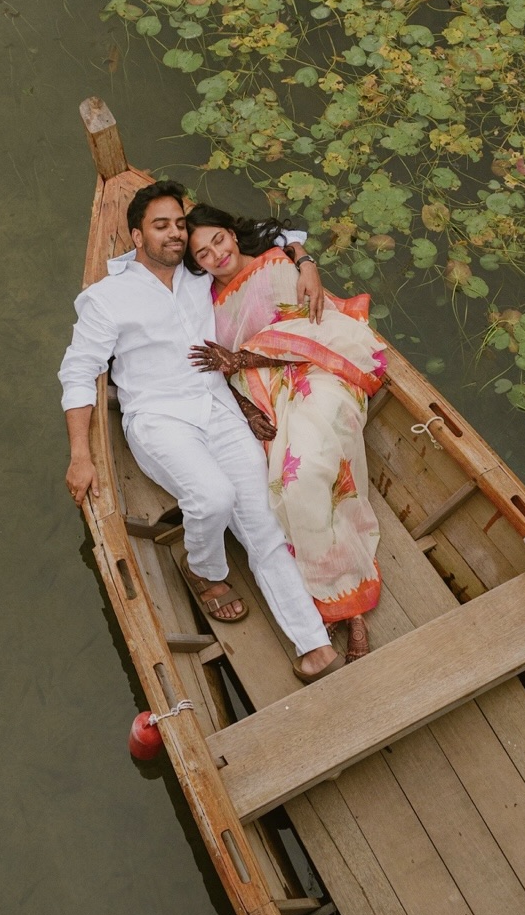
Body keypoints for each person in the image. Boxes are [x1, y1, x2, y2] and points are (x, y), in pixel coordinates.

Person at [59, 180, 345, 682]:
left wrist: (306, 264)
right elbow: (78, 372)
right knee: (212, 497)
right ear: (135, 235)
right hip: (157, 419)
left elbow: (280, 234)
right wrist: (81, 454)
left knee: (262, 523)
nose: (174, 234)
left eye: (179, 224)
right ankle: (205, 570)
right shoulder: (106, 298)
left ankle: (313, 644)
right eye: (160, 225)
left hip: (217, 408)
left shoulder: (197, 271)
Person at [185, 204, 387, 660]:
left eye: (218, 240)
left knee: (304, 475)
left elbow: (312, 328)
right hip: (263, 398)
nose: (215, 254)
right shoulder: (205, 305)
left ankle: (348, 604)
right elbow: (218, 368)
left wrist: (303, 259)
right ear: (194, 264)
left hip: (320, 373)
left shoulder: (277, 262)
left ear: (232, 234)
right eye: (201, 254)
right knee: (273, 491)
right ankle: (333, 601)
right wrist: (244, 404)